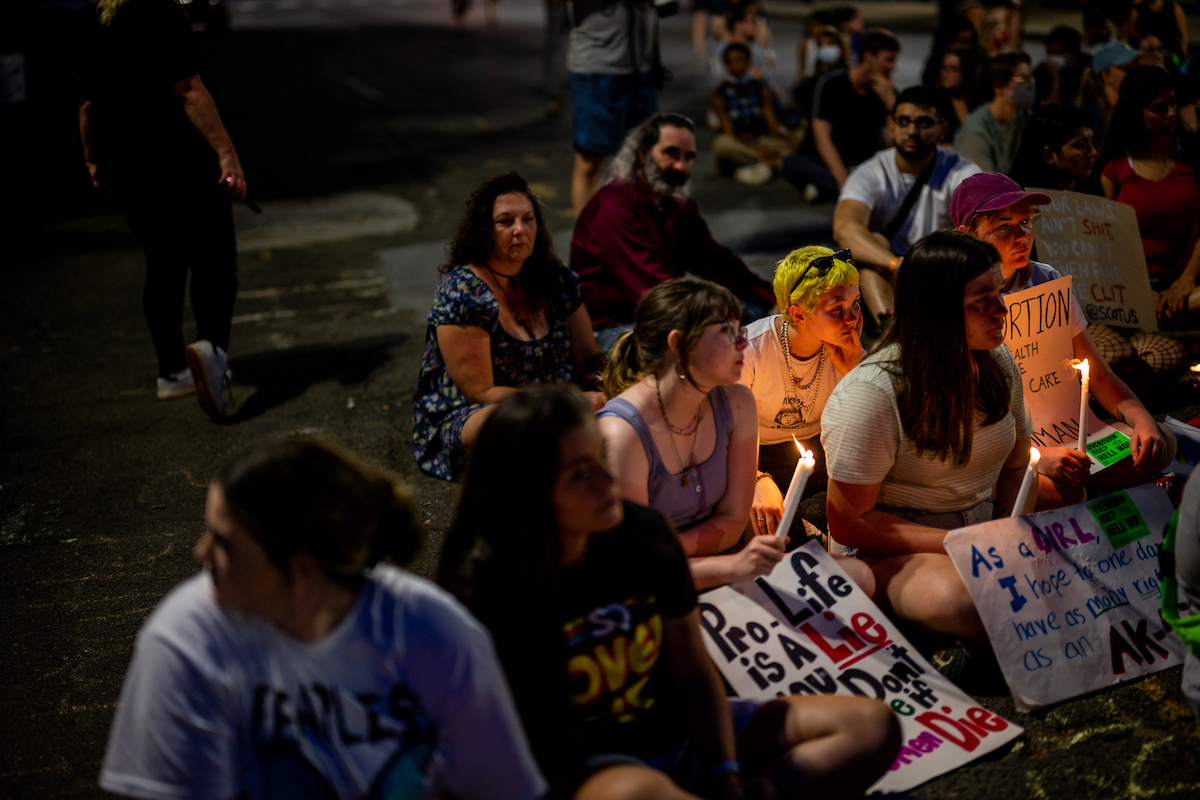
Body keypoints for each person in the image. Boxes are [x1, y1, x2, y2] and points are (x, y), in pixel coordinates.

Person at [439, 384, 901, 799]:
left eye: (601, 458)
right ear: (526, 490)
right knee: (639, 791)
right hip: (586, 770)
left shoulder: (641, 534)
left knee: (871, 727)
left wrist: (723, 771)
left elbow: (690, 664)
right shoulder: (487, 584)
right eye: (580, 473)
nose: (607, 481)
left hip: (676, 732)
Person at [100, 437, 547, 800]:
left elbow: (499, 786)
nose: (200, 554)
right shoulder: (185, 638)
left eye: (224, 543)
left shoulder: (431, 632)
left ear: (302, 570)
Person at [822, 231, 1034, 640]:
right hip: (894, 547)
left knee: (1085, 510)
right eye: (981, 301)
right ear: (937, 310)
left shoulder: (998, 360)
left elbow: (1018, 466)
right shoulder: (872, 394)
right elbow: (850, 522)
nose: (1001, 309)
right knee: (975, 604)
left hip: (982, 523)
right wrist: (966, 543)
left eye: (1000, 292)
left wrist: (1007, 531)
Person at [952, 172, 1177, 507]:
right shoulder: (956, 300)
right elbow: (964, 422)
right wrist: (1036, 457)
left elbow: (1099, 374)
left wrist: (1140, 418)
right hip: (999, 452)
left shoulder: (1046, 279)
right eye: (1003, 226)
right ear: (966, 235)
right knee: (1065, 493)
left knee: (1161, 442)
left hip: (1069, 431)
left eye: (1026, 221)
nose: (1021, 235)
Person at [75, 0, 246, 420]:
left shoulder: (92, 17)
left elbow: (86, 103)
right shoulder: (156, 10)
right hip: (176, 156)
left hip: (124, 164)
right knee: (214, 257)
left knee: (163, 261)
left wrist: (93, 161)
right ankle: (212, 351)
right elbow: (188, 88)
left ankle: (172, 372)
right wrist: (226, 153)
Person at [413, 173, 604, 480]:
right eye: (505, 221)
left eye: (528, 219)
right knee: (511, 425)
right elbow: (481, 392)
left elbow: (588, 354)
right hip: (488, 412)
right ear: (484, 230)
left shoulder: (555, 276)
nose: (519, 230)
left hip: (565, 400)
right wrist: (566, 402)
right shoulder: (463, 293)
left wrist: (623, 372)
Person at [597, 278, 773, 590]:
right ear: (678, 344)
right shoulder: (621, 433)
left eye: (739, 328)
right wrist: (729, 568)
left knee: (856, 575)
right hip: (647, 590)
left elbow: (733, 521)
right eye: (725, 331)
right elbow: (634, 564)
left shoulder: (737, 402)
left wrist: (688, 555)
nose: (743, 342)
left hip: (715, 565)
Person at [572, 113, 776, 348]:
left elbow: (716, 261)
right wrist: (720, 314)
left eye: (688, 157)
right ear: (643, 153)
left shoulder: (676, 204)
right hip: (616, 325)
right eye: (671, 154)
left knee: (762, 317)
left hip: (666, 309)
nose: (680, 166)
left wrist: (771, 298)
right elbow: (651, 288)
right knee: (701, 348)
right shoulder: (614, 208)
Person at [740, 247, 864, 540]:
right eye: (837, 309)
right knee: (769, 528)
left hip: (819, 456)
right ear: (798, 313)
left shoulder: (848, 350)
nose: (852, 318)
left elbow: (869, 434)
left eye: (856, 303)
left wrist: (856, 374)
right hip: (753, 456)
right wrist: (754, 478)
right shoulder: (750, 350)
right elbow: (717, 433)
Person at [833, 85, 981, 329]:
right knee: (874, 244)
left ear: (942, 130)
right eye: (903, 122)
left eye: (924, 123)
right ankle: (890, 331)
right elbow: (845, 228)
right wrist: (897, 265)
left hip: (943, 272)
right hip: (894, 274)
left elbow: (982, 213)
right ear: (891, 127)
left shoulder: (960, 171)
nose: (912, 131)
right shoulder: (871, 172)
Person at [1100, 65, 1200, 322]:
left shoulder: (1192, 154)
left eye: (1173, 103)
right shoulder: (1116, 164)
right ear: (1135, 114)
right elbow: (1105, 239)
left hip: (1190, 281)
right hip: (1130, 284)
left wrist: (1185, 281)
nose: (1171, 113)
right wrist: (1141, 290)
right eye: (1159, 108)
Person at [782, 28, 901, 203]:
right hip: (827, 163)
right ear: (868, 57)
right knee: (792, 163)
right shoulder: (831, 83)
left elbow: (894, 142)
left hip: (863, 165)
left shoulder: (886, 92)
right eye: (889, 60)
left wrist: (891, 103)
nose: (893, 67)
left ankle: (826, 192)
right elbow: (822, 138)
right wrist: (843, 179)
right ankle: (853, 190)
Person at [567, 0, 659, 214]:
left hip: (641, 65)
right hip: (597, 68)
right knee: (590, 161)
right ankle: (589, 241)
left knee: (643, 159)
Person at [710, 43, 799, 185]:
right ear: (725, 65)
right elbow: (728, 132)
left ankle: (756, 165)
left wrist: (790, 137)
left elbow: (772, 125)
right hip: (738, 144)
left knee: (799, 140)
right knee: (721, 145)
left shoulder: (761, 87)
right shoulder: (719, 93)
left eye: (739, 60)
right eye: (730, 62)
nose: (736, 65)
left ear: (748, 62)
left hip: (760, 138)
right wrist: (758, 151)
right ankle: (771, 162)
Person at [953, 50, 1034, 174]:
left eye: (1031, 77)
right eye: (1023, 79)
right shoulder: (975, 130)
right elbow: (984, 185)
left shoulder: (1024, 117)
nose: (1031, 84)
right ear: (999, 85)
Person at [1009, 103, 1102, 194]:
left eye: (1092, 142)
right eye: (1080, 145)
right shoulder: (1014, 200)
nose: (1093, 152)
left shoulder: (1095, 197)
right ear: (1049, 155)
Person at [1078, 41, 1139, 142]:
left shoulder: (1134, 107)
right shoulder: (1089, 116)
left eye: (1136, 65)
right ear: (1106, 75)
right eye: (1126, 68)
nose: (1134, 71)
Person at [930, 45, 988, 141]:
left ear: (967, 70)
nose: (946, 73)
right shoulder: (934, 100)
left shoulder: (981, 101)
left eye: (954, 68)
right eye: (944, 68)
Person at [1034, 25, 1088, 106]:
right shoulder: (1041, 71)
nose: (1053, 59)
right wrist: (1055, 81)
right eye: (1049, 53)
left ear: (1073, 53)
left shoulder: (1087, 67)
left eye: (1057, 54)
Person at [1131, 0, 1188, 68]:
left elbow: (1184, 37)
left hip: (1171, 54)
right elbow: (1131, 37)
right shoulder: (1137, 10)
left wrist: (1181, 56)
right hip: (1147, 57)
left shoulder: (1174, 8)